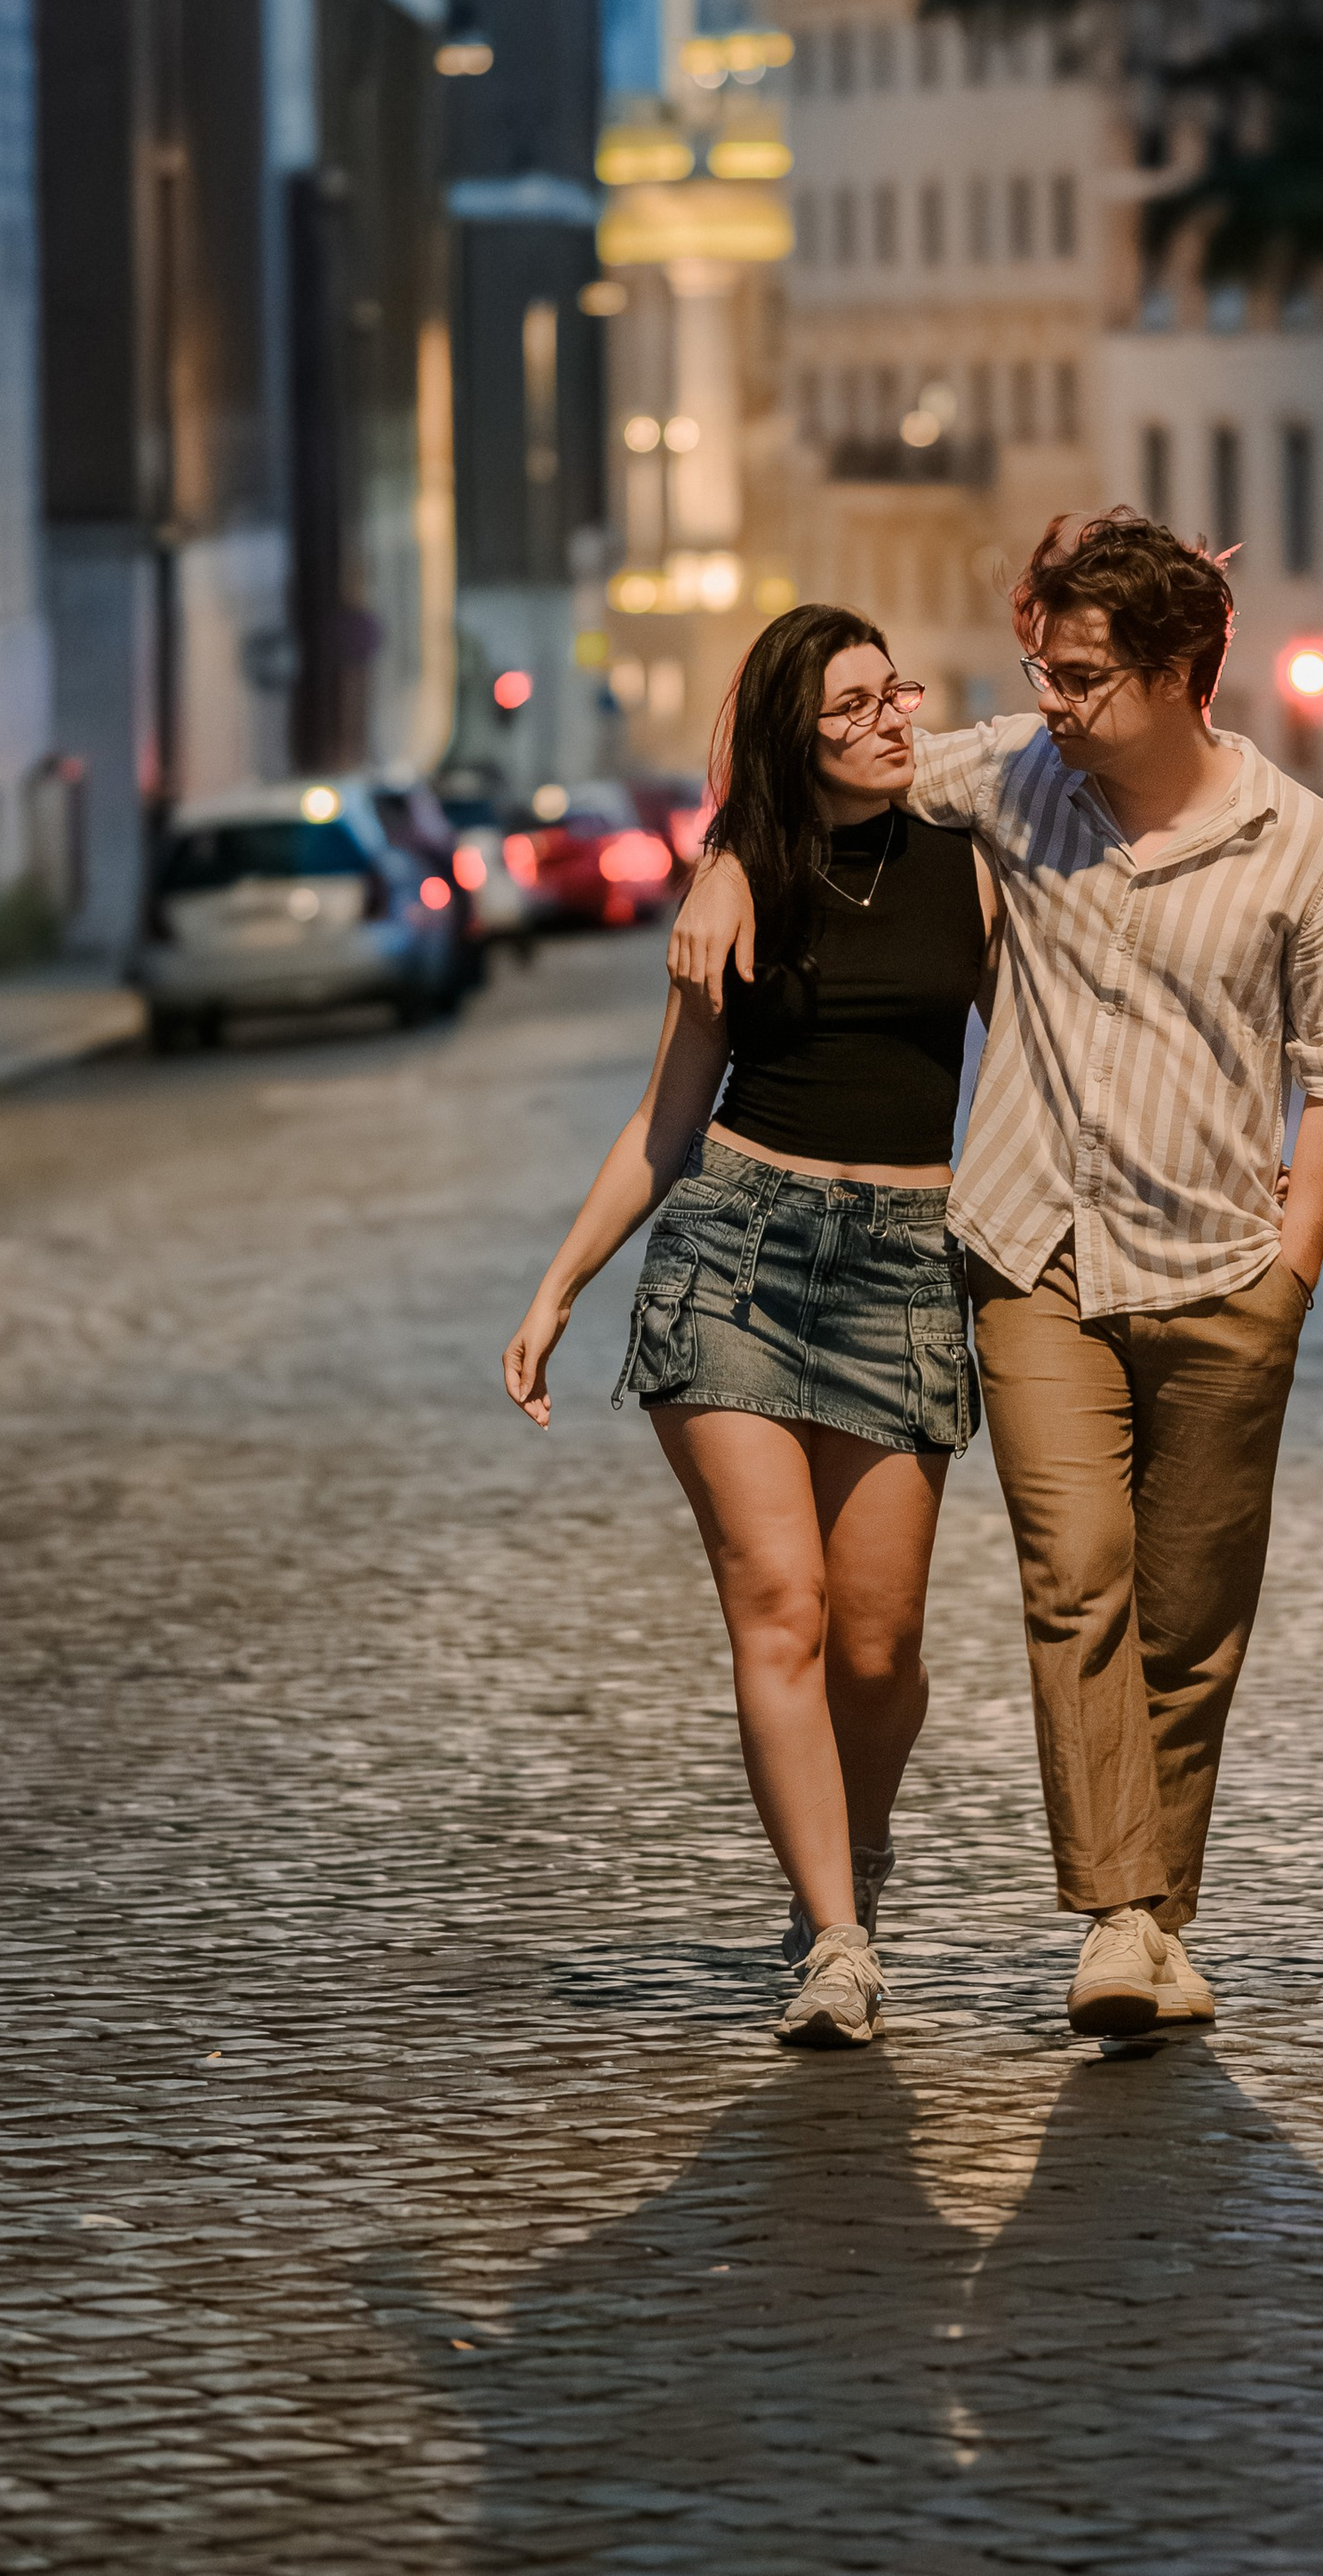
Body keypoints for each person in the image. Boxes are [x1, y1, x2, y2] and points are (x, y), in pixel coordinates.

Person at [672, 513, 1323, 2038]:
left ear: (1182, 673)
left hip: (1218, 1266)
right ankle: (1116, 1920)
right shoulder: (1013, 776)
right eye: (1041, 671)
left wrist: (1296, 1262)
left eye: (1080, 678)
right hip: (1031, 1256)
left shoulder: (1309, 849)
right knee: (1079, 1583)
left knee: (1193, 1617)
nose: (1051, 702)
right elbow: (827, 774)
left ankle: (1158, 1907)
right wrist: (725, 861)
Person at [504, 605, 998, 2051]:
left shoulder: (972, 868)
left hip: (904, 1266)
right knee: (780, 1607)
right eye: (850, 708)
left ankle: (855, 1845)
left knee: (879, 1649)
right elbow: (667, 1121)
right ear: (795, 736)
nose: (891, 720)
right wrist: (560, 1285)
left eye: (895, 693)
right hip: (735, 1250)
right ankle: (836, 1938)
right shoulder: (746, 886)